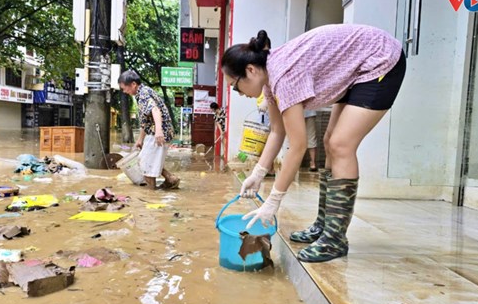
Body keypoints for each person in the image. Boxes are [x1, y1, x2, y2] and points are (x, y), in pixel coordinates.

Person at [221, 24, 406, 262]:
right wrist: (258, 173)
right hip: (359, 66)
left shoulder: (283, 75)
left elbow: (297, 147)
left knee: (341, 145)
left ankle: (335, 240)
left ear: (250, 70)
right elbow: (278, 131)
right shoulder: (270, 79)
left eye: (236, 86)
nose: (239, 93)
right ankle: (324, 226)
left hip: (381, 60)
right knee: (330, 141)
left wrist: (273, 200)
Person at [119, 70, 180, 190]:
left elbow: (155, 110)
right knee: (148, 160)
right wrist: (140, 140)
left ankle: (151, 195)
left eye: (124, 88)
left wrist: (158, 131)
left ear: (133, 84)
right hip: (158, 132)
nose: (124, 91)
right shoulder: (142, 93)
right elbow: (145, 121)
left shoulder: (143, 94)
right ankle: (170, 179)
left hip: (158, 134)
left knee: (145, 166)